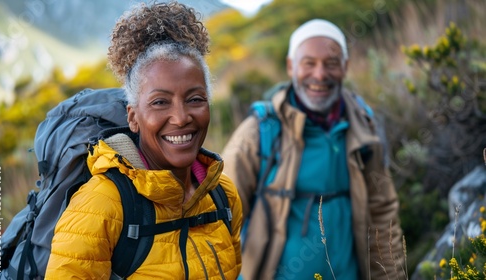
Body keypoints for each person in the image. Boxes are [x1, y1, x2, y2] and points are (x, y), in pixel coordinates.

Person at [45, 2, 242, 279]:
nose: (181, 117)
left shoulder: (222, 194)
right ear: (133, 117)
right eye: (160, 102)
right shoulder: (101, 205)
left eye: (195, 99)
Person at [222, 19, 405, 279]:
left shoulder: (365, 130)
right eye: (308, 63)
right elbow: (219, 220)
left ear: (345, 67)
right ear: (290, 66)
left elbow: (382, 216)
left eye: (331, 63)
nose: (319, 74)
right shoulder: (257, 132)